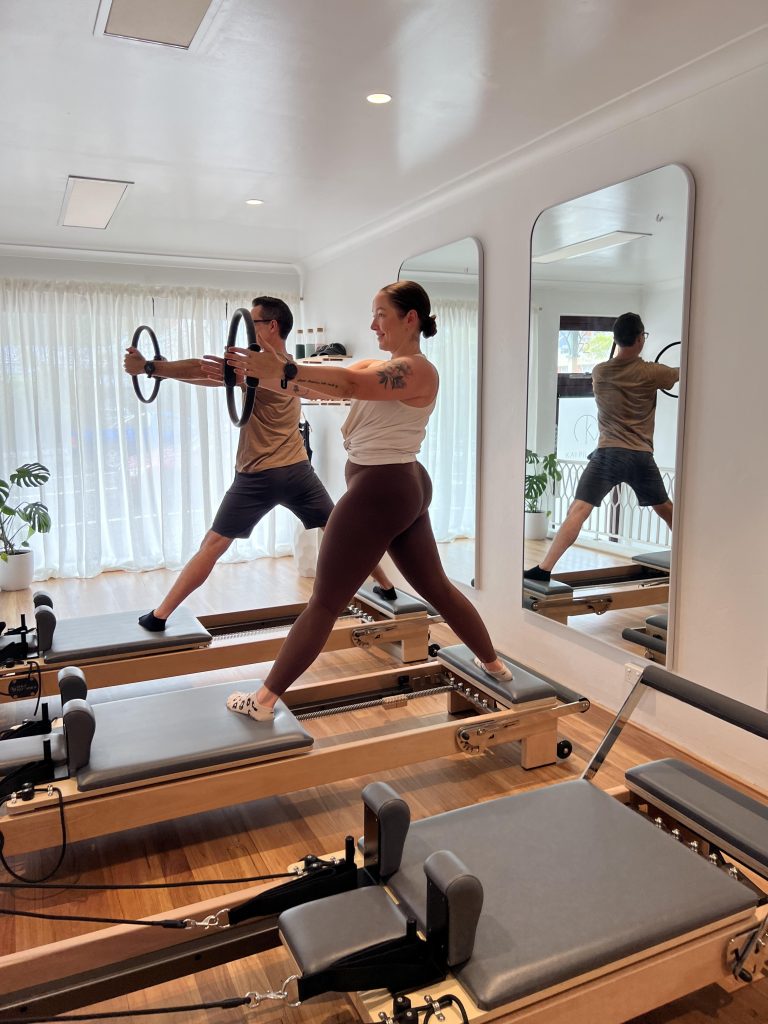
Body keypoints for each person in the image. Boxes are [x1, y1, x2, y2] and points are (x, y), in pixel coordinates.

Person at [216, 280, 512, 722]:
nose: (372, 324)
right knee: (436, 588)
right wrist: (273, 371)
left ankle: (262, 702)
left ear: (410, 318)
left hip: (382, 490)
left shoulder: (417, 371)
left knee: (324, 602)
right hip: (399, 487)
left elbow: (351, 381)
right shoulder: (385, 364)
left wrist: (286, 372)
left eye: (381, 315)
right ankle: (495, 666)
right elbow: (330, 388)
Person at [123, 296, 395, 631]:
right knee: (341, 527)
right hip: (297, 470)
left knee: (212, 545)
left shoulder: (260, 367)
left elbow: (202, 370)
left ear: (272, 326)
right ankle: (388, 587)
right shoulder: (291, 365)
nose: (248, 329)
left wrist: (152, 368)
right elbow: (212, 374)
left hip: (259, 476)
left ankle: (159, 616)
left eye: (254, 322)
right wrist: (159, 369)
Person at [524, 312, 679, 583]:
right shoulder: (652, 373)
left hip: (608, 454)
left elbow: (618, 366)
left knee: (578, 510)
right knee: (666, 509)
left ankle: (544, 569)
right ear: (641, 338)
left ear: (616, 339)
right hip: (641, 455)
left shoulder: (600, 372)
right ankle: (692, 557)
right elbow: (678, 375)